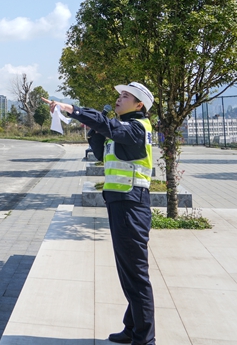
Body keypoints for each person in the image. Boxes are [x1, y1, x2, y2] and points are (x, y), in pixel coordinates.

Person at [44, 81, 156, 345]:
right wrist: (91, 128)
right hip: (122, 204)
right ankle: (132, 328)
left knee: (136, 275)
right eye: (119, 95)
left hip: (131, 204)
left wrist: (73, 109)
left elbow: (111, 127)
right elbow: (101, 151)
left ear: (139, 105)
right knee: (128, 271)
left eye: (125, 96)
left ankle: (145, 340)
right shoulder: (125, 131)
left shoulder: (136, 128)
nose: (119, 99)